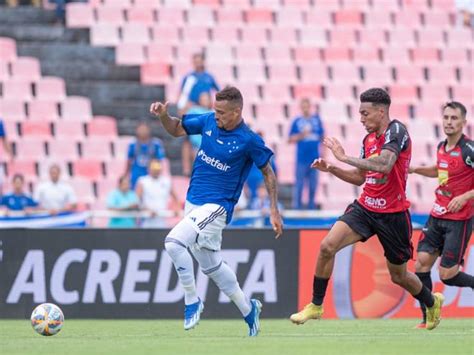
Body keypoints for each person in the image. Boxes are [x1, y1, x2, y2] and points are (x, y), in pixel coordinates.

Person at [289, 88, 444, 330]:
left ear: (381, 112)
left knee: (398, 276)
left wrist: (343, 157)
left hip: (393, 215)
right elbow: (361, 178)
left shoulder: (397, 131)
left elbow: (384, 164)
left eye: (365, 113)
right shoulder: (368, 139)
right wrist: (332, 169)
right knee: (327, 246)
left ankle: (431, 301)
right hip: (365, 208)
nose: (361, 118)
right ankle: (316, 305)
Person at [150, 86, 283, 337]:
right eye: (215, 110)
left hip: (217, 206)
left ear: (237, 112)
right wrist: (164, 117)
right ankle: (248, 309)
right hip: (193, 202)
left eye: (222, 112)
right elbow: (177, 128)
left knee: (174, 243)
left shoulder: (249, 140)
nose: (217, 115)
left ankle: (192, 301)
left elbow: (268, 172)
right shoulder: (209, 121)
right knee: (211, 266)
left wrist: (274, 210)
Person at [410, 101, 473, 328]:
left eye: (454, 118)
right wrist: (416, 169)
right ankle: (429, 316)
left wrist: (465, 197)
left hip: (459, 219)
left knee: (447, 275)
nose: (449, 122)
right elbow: (440, 170)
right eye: (446, 117)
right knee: (421, 265)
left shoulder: (469, 151)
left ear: (464, 123)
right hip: (437, 214)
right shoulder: (440, 147)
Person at [288, 98, 324, 209]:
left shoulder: (317, 120)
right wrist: (302, 135)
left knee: (313, 185)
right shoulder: (297, 121)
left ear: (310, 107)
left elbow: (322, 137)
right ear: (300, 108)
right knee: (299, 185)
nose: (305, 109)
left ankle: (311, 209)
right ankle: (297, 209)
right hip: (301, 159)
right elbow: (290, 139)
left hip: (315, 158)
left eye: (307, 106)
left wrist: (324, 155)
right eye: (303, 106)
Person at [136, 159, 180, 228]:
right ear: (149, 169)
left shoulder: (166, 181)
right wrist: (146, 209)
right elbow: (137, 200)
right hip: (147, 219)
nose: (156, 170)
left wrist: (177, 209)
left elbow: (176, 198)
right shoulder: (143, 181)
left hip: (162, 219)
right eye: (154, 168)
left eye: (157, 168)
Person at [125, 122, 166, 189]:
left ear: (149, 130)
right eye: (141, 129)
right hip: (136, 172)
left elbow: (160, 159)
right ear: (137, 130)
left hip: (151, 173)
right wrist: (126, 174)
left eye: (145, 129)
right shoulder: (132, 144)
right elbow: (129, 160)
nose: (143, 131)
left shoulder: (156, 144)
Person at [181, 93, 213, 176]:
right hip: (196, 143)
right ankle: (188, 169)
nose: (204, 101)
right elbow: (185, 119)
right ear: (199, 100)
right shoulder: (194, 110)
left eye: (206, 99)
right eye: (203, 99)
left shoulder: (213, 113)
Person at [245, 130, 277, 207]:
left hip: (263, 186)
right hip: (250, 185)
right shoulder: (247, 155)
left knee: (264, 205)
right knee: (251, 207)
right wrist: (245, 187)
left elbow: (274, 173)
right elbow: (243, 172)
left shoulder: (267, 156)